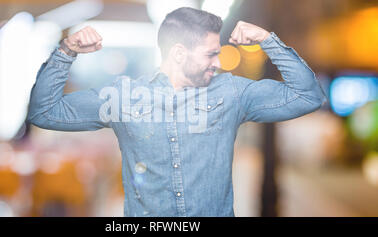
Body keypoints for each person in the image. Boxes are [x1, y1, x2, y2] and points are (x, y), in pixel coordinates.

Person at [27, 7, 327, 217]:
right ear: (179, 53)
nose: (218, 63)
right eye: (211, 54)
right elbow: (45, 112)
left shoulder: (232, 93)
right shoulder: (123, 97)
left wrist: (266, 39)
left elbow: (308, 96)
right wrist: (66, 50)